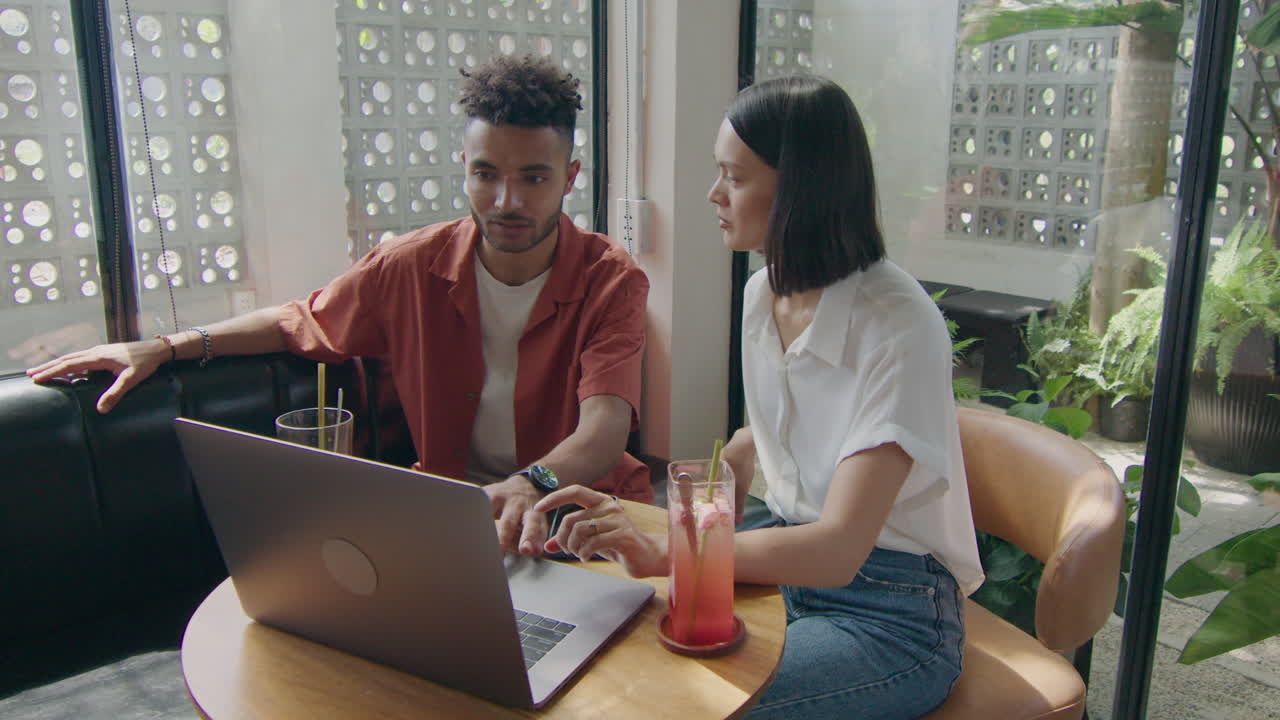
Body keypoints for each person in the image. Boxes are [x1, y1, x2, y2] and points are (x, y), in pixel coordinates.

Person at [26, 54, 652, 556]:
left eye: (534, 178)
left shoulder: (610, 280)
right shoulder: (409, 266)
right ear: (463, 167)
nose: (506, 200)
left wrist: (530, 484)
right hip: (453, 519)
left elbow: (604, 428)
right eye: (486, 173)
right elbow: (300, 320)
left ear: (570, 177)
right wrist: (164, 347)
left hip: (582, 515)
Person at [534, 75, 984, 720]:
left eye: (734, 177)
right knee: (611, 661)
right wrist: (665, 515)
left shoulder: (898, 323)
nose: (713, 194)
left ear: (803, 187)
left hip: (891, 611)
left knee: (680, 706)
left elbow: (837, 549)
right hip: (784, 562)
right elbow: (760, 441)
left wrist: (673, 550)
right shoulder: (762, 293)